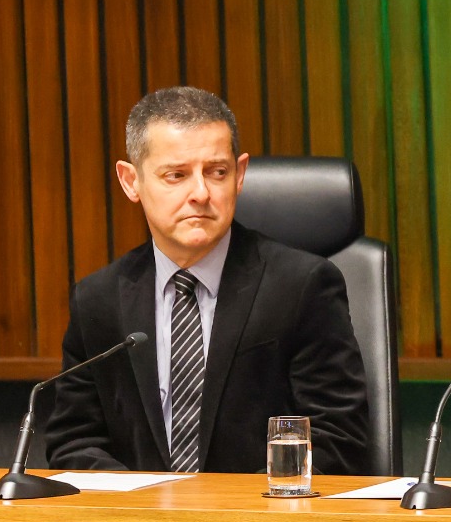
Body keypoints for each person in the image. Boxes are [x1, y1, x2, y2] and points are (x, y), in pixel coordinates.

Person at [43, 87, 370, 474]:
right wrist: (145, 509)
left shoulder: (302, 286)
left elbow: (339, 439)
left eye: (217, 172)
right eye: (176, 175)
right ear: (131, 181)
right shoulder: (98, 298)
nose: (200, 193)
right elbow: (73, 441)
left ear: (240, 174)